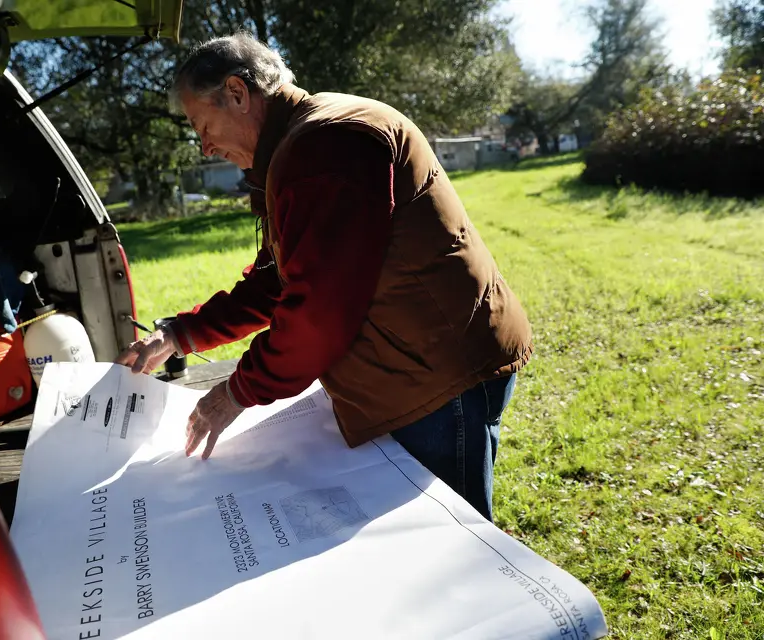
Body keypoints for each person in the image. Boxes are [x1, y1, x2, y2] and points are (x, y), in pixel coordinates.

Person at [115, 33, 533, 523]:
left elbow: (318, 312)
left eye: (201, 125)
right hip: (421, 367)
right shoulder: (299, 146)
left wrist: (235, 393)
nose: (205, 146)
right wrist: (180, 334)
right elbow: (278, 280)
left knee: (455, 543)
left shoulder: (321, 148)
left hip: (437, 377)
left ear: (236, 92)